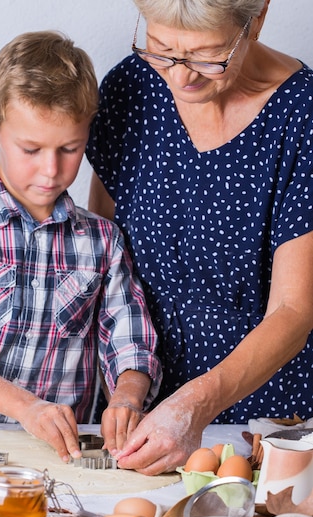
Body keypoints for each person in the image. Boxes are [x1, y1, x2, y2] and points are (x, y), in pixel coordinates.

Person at [86, 0, 313, 474]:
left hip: (263, 416)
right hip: (136, 399)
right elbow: (102, 254)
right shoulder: (131, 86)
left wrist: (195, 404)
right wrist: (124, 387)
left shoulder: (302, 116)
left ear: (258, 18)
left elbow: (294, 310)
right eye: (162, 49)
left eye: (207, 56)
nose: (180, 77)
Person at [0, 31, 162, 463]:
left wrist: (128, 396)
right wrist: (27, 408)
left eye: (69, 148)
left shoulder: (102, 239)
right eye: (31, 149)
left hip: (64, 456)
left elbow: (130, 339)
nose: (51, 170)